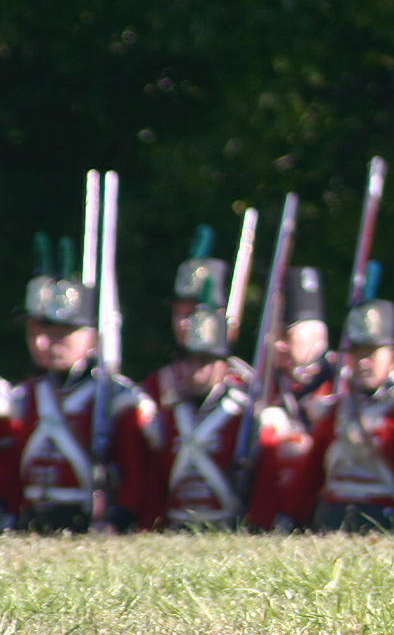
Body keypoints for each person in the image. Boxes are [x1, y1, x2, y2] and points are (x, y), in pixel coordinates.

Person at [7, 234, 159, 532]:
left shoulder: (116, 397)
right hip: (31, 526)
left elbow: (136, 475)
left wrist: (117, 521)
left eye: (60, 333)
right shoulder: (24, 397)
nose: (43, 342)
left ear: (89, 336)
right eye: (36, 333)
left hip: (88, 525)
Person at [310, 267, 394, 532]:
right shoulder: (335, 408)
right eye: (357, 353)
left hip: (384, 519)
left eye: (372, 353)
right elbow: (311, 473)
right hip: (334, 519)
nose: (363, 362)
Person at [150, 287, 256, 529]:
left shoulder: (242, 414)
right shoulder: (171, 414)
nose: (196, 371)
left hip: (228, 527)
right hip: (178, 526)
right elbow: (156, 481)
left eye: (205, 362)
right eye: (189, 361)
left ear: (223, 365)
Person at [246, 266, 334, 531]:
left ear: (317, 337)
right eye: (273, 335)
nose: (277, 345)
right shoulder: (262, 385)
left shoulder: (342, 381)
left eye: (287, 334)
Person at [144, 225, 232, 413]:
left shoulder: (242, 386)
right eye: (178, 313)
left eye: (191, 314)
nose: (182, 323)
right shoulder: (157, 385)